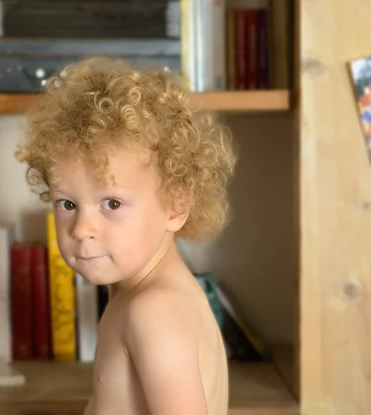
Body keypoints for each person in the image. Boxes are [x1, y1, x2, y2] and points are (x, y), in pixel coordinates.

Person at [15, 57, 236, 415]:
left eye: (112, 203)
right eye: (68, 203)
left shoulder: (154, 313)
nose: (82, 229)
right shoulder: (145, 297)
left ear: (176, 207)